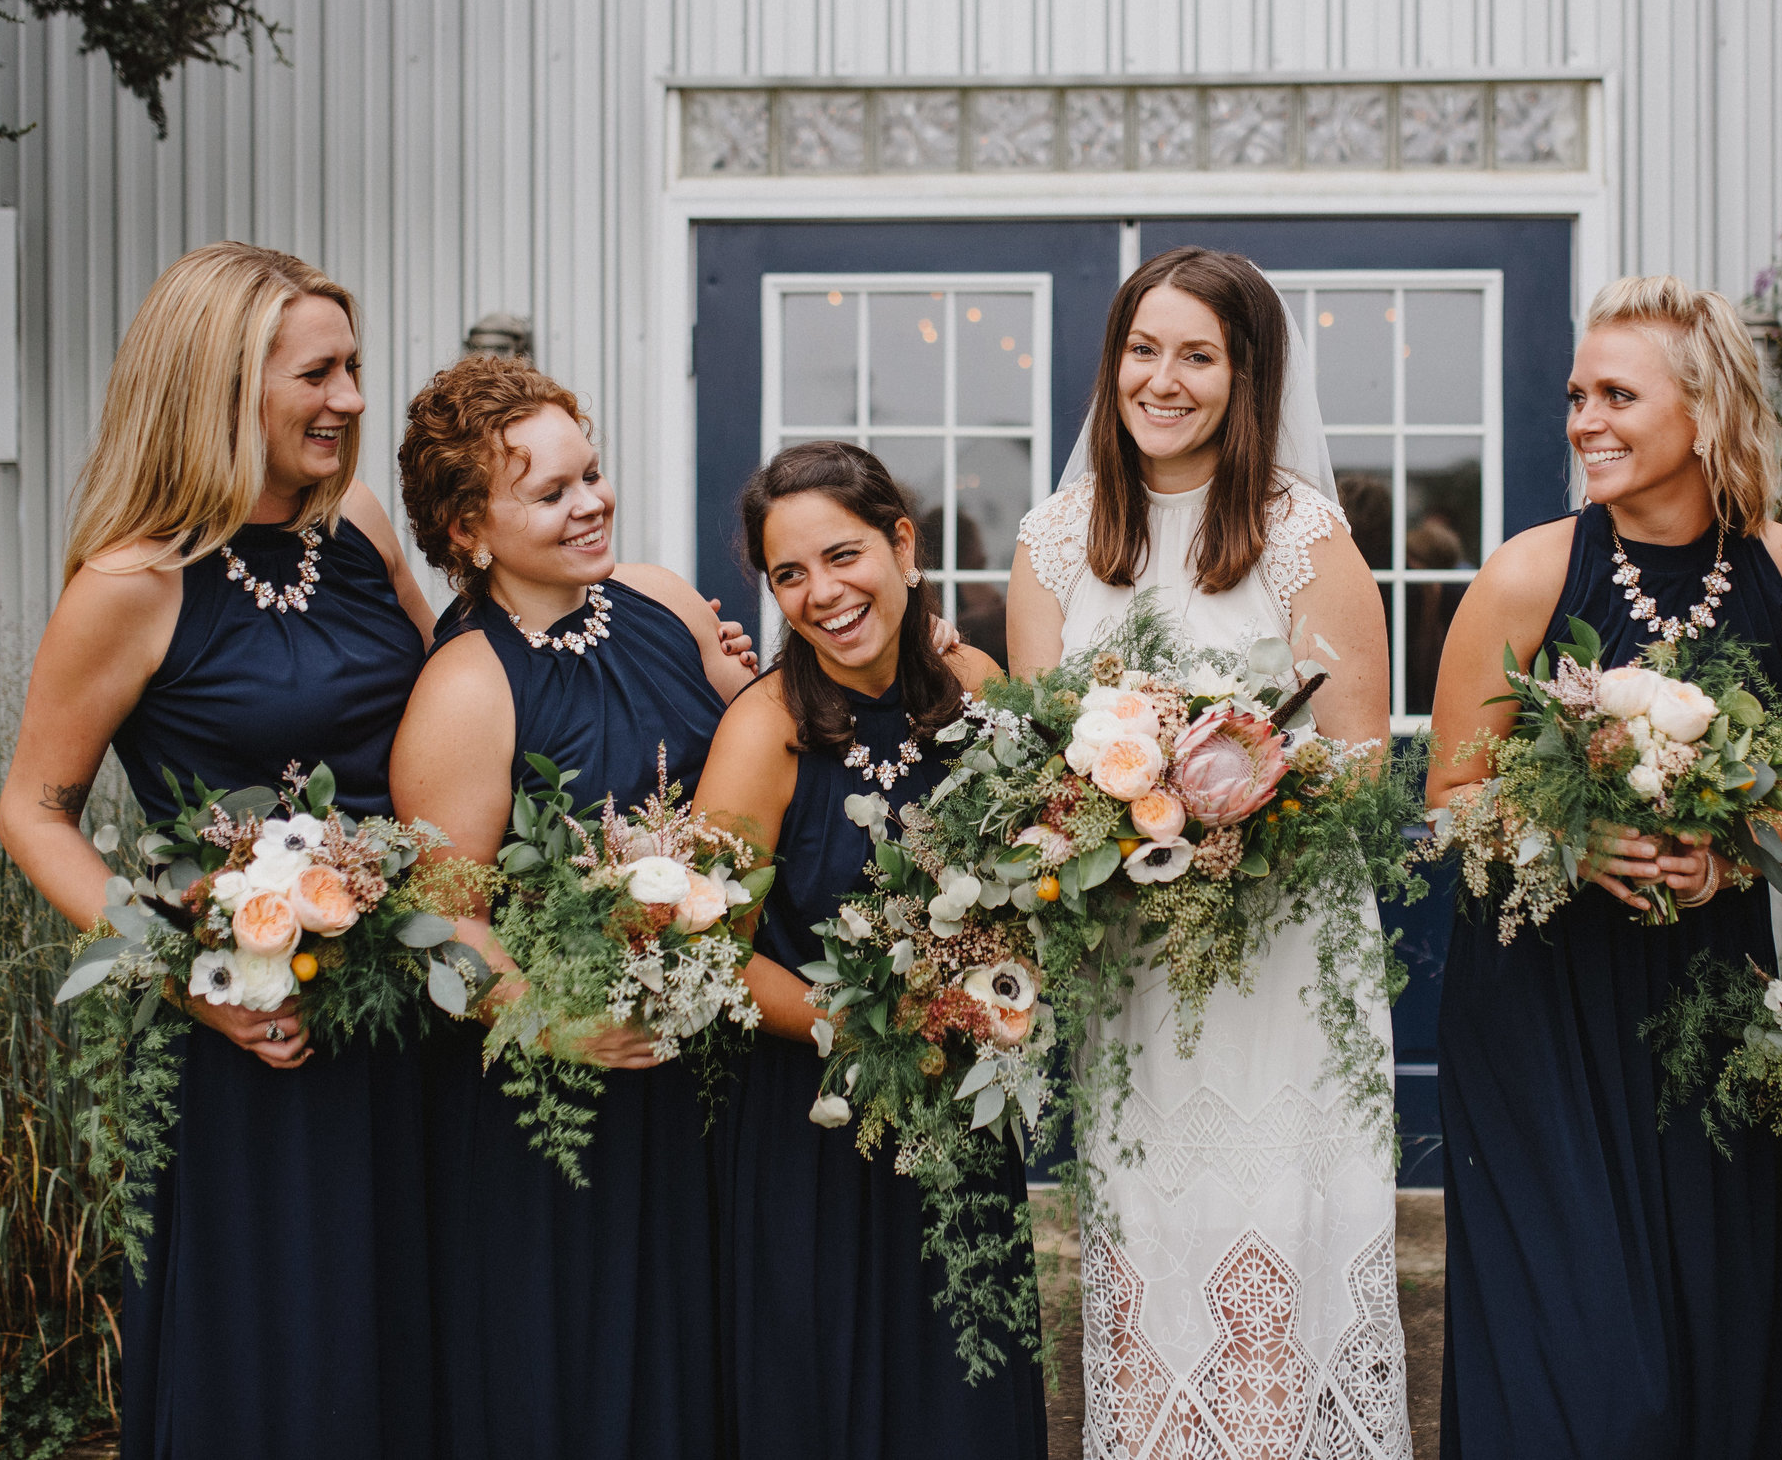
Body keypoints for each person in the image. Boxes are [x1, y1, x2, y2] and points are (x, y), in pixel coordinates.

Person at [0, 242, 439, 1460]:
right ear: (216, 385)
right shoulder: (130, 583)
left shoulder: (354, 525)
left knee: (417, 1341)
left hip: (413, 1022)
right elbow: (33, 809)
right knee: (288, 1358)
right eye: (318, 373)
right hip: (259, 1041)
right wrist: (196, 978)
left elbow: (455, 695)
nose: (351, 399)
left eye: (353, 365)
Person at [1007, 247, 1411, 1457]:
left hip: (1284, 958)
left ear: (1246, 376)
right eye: (1143, 350)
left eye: (1197, 356)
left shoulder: (1302, 535)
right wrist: (1117, 806)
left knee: (1281, 1221)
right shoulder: (1053, 537)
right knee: (1155, 1222)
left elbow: (1360, 761)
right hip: (1139, 959)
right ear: (1111, 362)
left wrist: (1235, 798)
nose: (1163, 380)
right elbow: (1036, 759)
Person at [1423, 274, 1782, 1458]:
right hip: (1541, 1012)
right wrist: (1565, 840)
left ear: (1706, 411)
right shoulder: (1531, 574)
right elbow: (1445, 797)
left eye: (1617, 395)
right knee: (1580, 1362)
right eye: (1577, 394)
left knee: (1707, 1325)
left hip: (1704, 1010)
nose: (1584, 417)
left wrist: (1728, 863)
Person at [389, 354, 756, 1460]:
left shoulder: (656, 597)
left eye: (589, 474)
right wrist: (558, 1019)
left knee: (702, 1356)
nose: (590, 502)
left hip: (703, 1069)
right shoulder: (465, 688)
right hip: (559, 1099)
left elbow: (772, 752)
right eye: (549, 493)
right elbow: (439, 923)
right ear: (468, 528)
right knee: (583, 1372)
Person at [694, 441, 1047, 1459]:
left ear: (903, 543)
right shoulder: (764, 731)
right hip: (812, 1126)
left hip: (958, 1118)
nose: (820, 594)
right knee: (820, 1389)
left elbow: (1031, 875)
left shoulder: (977, 683)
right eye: (788, 575)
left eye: (842, 556)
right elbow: (708, 949)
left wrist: (1001, 983)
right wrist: (870, 1027)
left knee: (958, 1388)